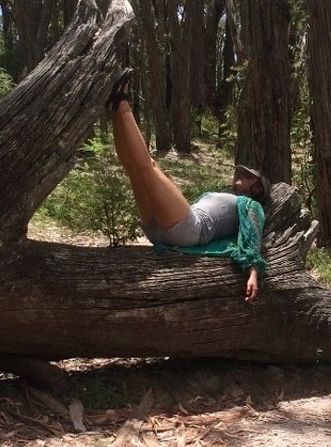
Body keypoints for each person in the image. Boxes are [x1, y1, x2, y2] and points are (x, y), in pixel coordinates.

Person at [105, 70, 270, 302]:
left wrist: (253, 272)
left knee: (148, 168)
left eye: (250, 177)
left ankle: (121, 103)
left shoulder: (251, 205)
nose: (243, 175)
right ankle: (114, 112)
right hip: (163, 229)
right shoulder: (230, 196)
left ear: (257, 189)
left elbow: (252, 233)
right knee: (135, 172)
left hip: (190, 228)